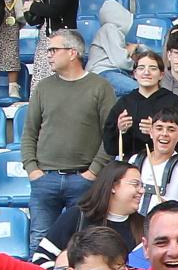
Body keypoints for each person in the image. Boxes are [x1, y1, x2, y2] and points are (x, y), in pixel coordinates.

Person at [22, 32, 115, 255]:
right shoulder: (43, 88)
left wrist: (92, 172)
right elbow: (29, 133)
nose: (49, 56)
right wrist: (32, 169)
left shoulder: (101, 87)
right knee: (40, 242)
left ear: (73, 53)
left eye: (54, 50)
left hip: (84, 180)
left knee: (84, 246)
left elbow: (110, 135)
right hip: (45, 179)